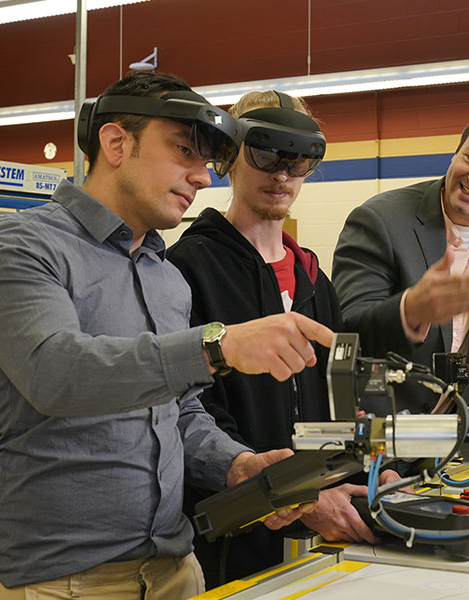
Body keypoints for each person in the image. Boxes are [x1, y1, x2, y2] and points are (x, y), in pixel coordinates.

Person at [0, 72, 331, 599]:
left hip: (173, 570)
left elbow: (179, 411)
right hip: (57, 579)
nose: (201, 176)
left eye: (204, 161)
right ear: (117, 142)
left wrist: (236, 464)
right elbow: (56, 373)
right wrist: (217, 346)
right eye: (185, 151)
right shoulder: (22, 248)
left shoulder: (166, 277)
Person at [168, 90, 397, 588]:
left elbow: (338, 404)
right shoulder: (188, 268)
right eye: (266, 154)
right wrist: (290, 495)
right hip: (231, 535)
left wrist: (365, 476)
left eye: (298, 163)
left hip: (321, 535)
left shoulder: (316, 279)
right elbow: (192, 410)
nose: (282, 175)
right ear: (229, 157)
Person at [332, 106, 469, 414]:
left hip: (454, 435)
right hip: (380, 433)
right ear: (455, 152)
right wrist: (409, 310)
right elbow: (348, 332)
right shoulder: (379, 220)